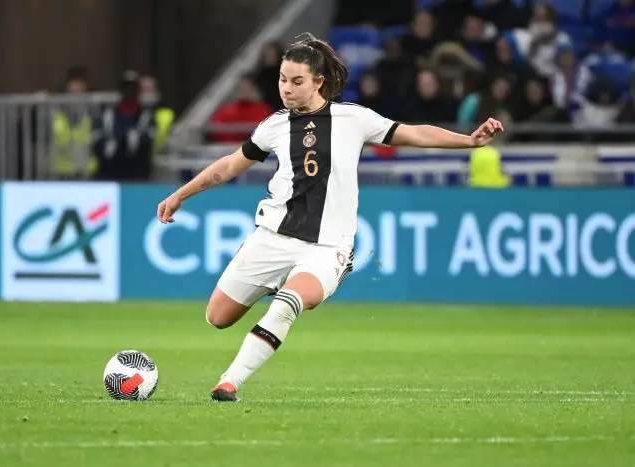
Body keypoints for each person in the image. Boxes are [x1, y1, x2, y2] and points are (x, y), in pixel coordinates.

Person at [156, 32, 503, 403]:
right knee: (218, 317)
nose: (286, 88)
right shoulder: (274, 125)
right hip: (273, 237)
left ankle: (229, 383)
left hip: (326, 247)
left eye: (297, 81)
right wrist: (180, 194)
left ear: (318, 81)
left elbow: (413, 133)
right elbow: (229, 165)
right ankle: (279, 280)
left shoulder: (353, 118)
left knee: (288, 303)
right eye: (282, 79)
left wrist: (468, 141)